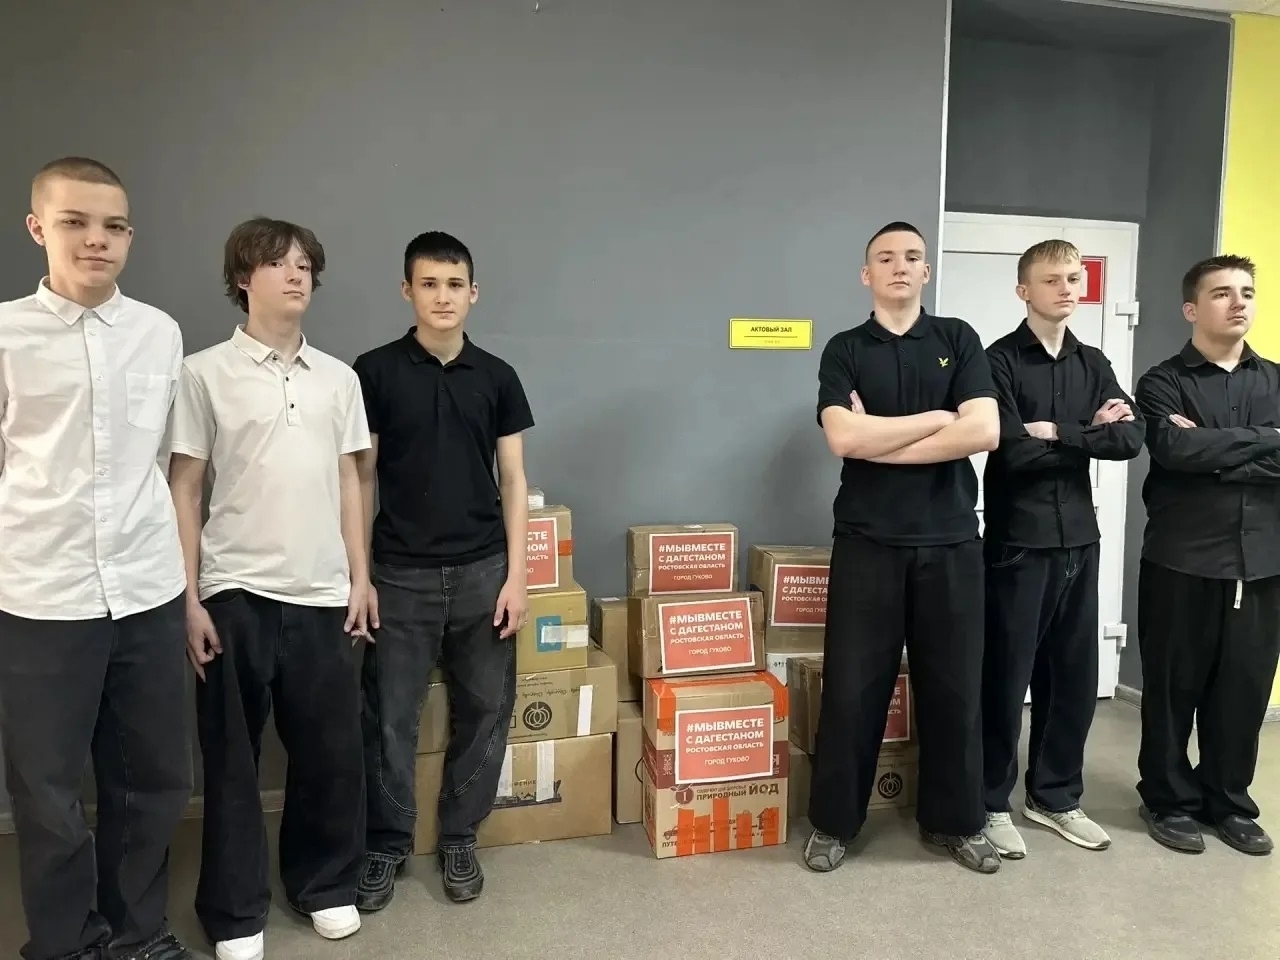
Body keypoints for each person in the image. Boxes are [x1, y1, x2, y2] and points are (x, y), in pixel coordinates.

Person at [0, 157, 193, 960]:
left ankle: (137, 932)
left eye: (113, 226)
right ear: (37, 228)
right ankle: (66, 943)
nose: (96, 240)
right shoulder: (6, 334)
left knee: (153, 780)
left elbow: (167, 462)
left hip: (147, 587)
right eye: (75, 222)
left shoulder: (159, 332)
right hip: (42, 594)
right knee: (47, 792)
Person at [168, 217, 374, 959]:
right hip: (234, 592)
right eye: (279, 263)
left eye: (305, 266)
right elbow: (185, 488)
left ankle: (325, 884)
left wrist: (360, 576)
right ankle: (234, 913)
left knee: (329, 754)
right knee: (230, 761)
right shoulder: (201, 373)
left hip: (323, 593)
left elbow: (352, 481)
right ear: (242, 278)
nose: (296, 276)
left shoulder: (339, 379)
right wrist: (189, 598)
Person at [805, 221, 1001, 875]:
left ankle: (957, 822)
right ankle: (834, 823)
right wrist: (938, 419)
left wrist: (879, 437)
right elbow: (843, 439)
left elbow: (985, 431)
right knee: (852, 690)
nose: (899, 266)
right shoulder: (844, 349)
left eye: (912, 257)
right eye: (885, 258)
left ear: (926, 271)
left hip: (951, 541)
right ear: (867, 274)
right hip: (868, 542)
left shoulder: (958, 339)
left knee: (955, 689)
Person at [353, 231, 533, 911]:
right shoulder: (373, 371)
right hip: (398, 575)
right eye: (428, 284)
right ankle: (386, 843)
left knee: (485, 710)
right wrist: (360, 575)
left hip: (485, 571)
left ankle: (460, 836)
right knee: (389, 718)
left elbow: (513, 480)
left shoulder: (497, 376)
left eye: (454, 285)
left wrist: (518, 577)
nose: (442, 297)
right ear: (407, 291)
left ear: (473, 293)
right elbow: (360, 478)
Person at [979, 239, 1144, 860]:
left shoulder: (1093, 361)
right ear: (1024, 290)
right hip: (1018, 543)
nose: (1067, 289)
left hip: (1080, 539)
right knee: (1005, 676)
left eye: (1074, 278)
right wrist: (1086, 433)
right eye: (1052, 280)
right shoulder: (997, 361)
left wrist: (1056, 431)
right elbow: (1009, 449)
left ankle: (1053, 798)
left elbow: (1129, 439)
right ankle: (991, 802)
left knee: (1072, 676)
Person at [1133, 254, 1279, 858]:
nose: (1238, 302)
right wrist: (1265, 443)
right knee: (1173, 690)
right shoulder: (1162, 382)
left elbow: (1199, 452)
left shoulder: (1276, 379)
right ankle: (1168, 800)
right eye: (1222, 293)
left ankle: (1229, 802)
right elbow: (1174, 451)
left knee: (1244, 691)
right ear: (1192, 308)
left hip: (1263, 563)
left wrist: (1214, 449)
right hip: (1181, 560)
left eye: (1246, 291)